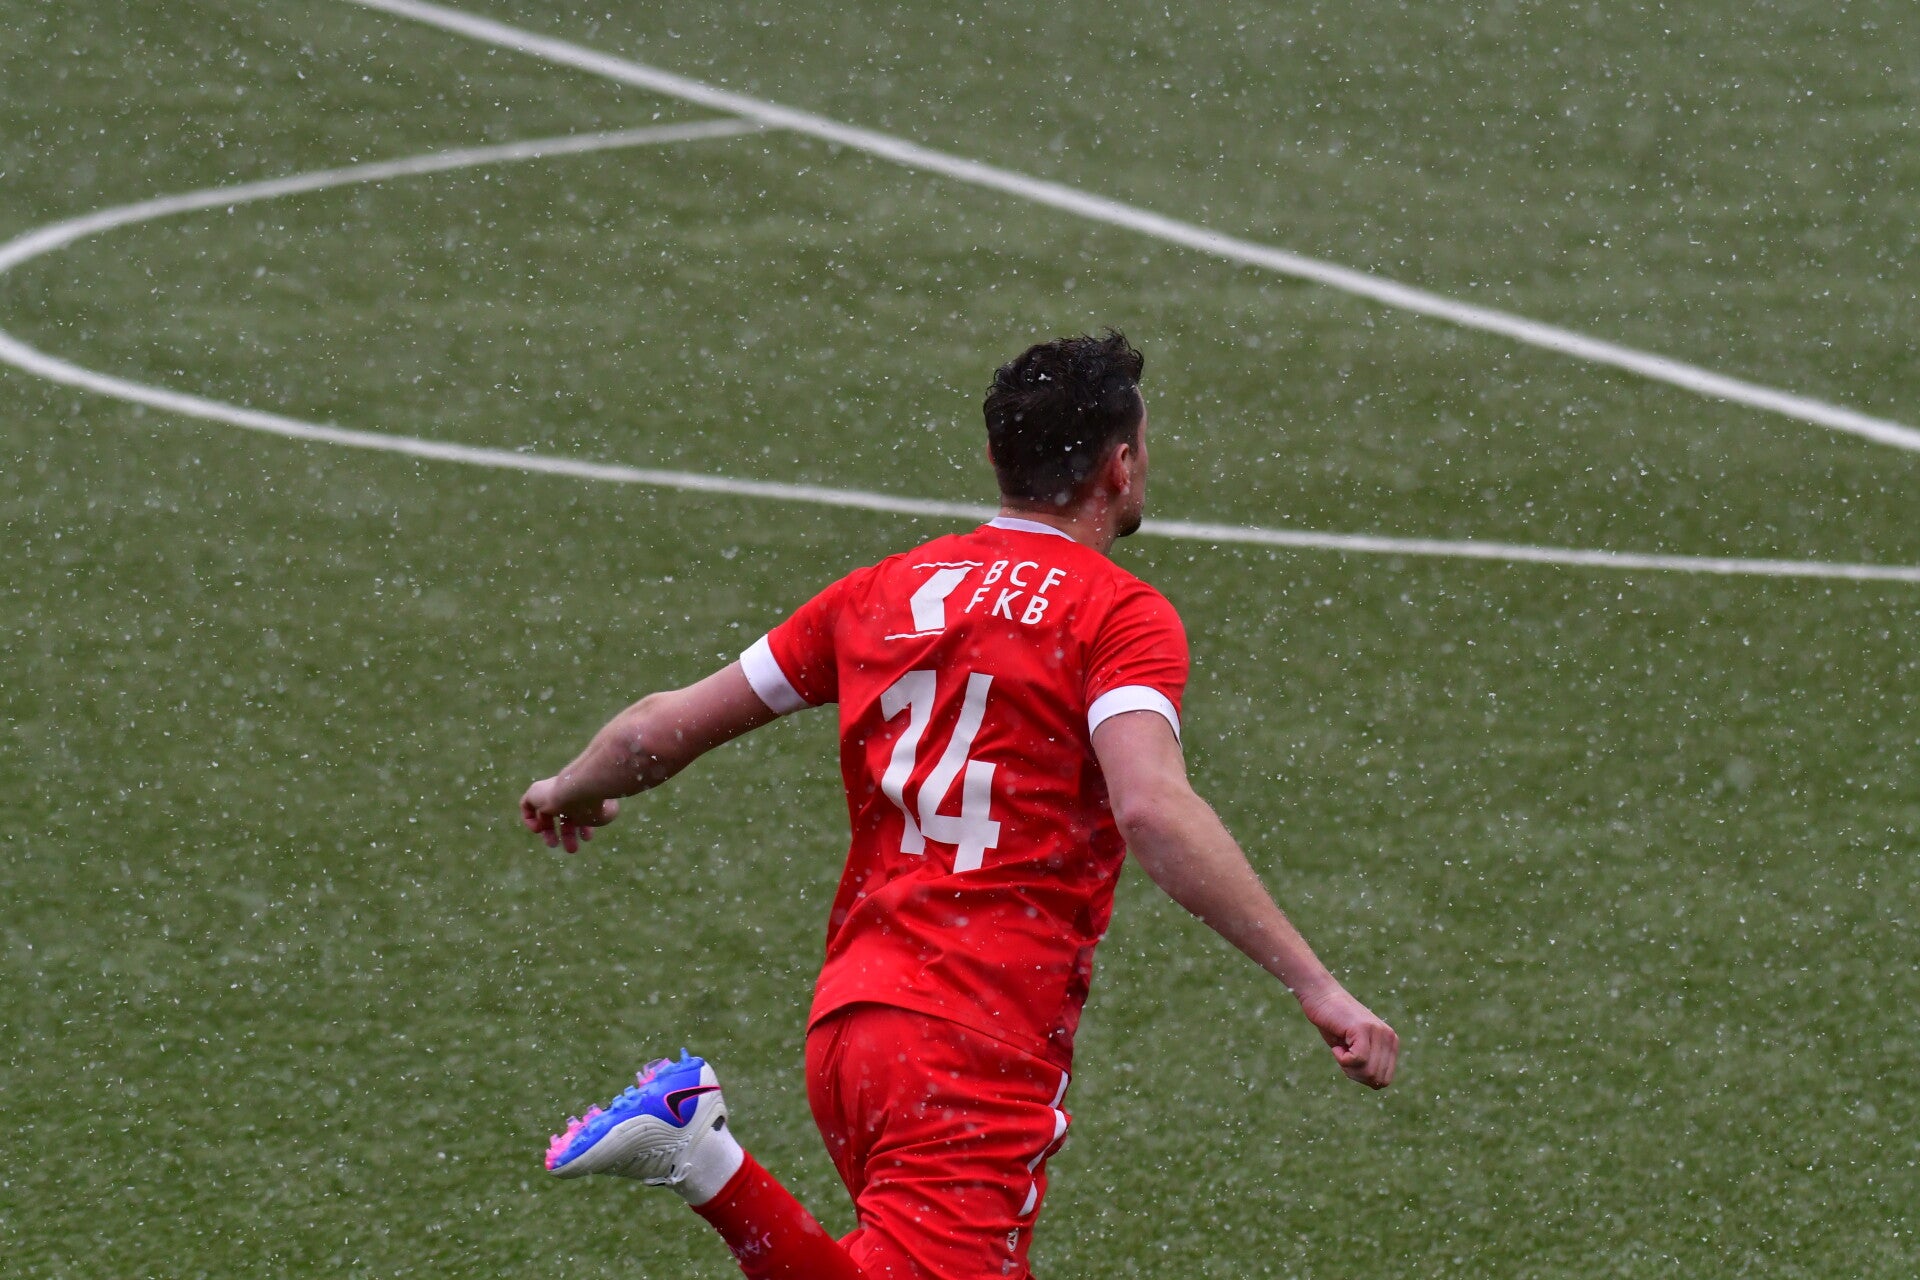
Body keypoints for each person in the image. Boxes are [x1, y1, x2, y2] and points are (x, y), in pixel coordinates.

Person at [520, 331, 1398, 1280]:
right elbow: (1150, 808)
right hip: (970, 1037)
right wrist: (1315, 983)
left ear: (995, 457)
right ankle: (699, 1153)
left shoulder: (882, 593)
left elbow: (657, 732)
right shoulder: (1116, 615)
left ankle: (704, 1157)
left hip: (854, 1027)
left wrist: (571, 787)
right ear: (1121, 464)